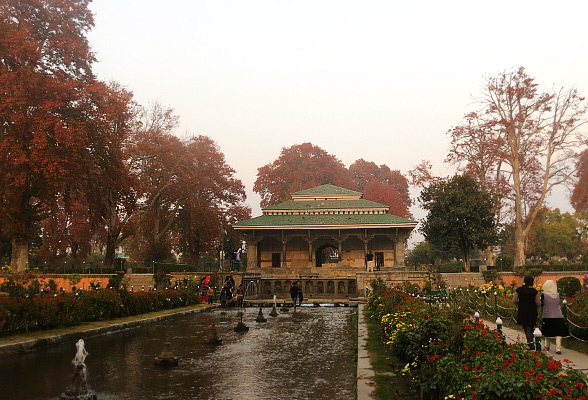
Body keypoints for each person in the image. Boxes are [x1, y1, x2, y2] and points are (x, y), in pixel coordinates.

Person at [541, 280, 570, 354]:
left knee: (548, 332)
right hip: (558, 315)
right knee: (558, 333)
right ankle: (558, 348)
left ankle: (547, 345)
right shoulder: (557, 295)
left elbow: (541, 304)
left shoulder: (544, 295)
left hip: (547, 315)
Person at [513, 275, 541, 350]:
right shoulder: (534, 291)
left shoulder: (519, 290)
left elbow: (514, 300)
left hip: (523, 310)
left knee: (526, 327)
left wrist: (520, 302)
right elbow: (538, 303)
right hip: (532, 310)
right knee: (531, 326)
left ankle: (531, 343)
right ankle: (531, 342)